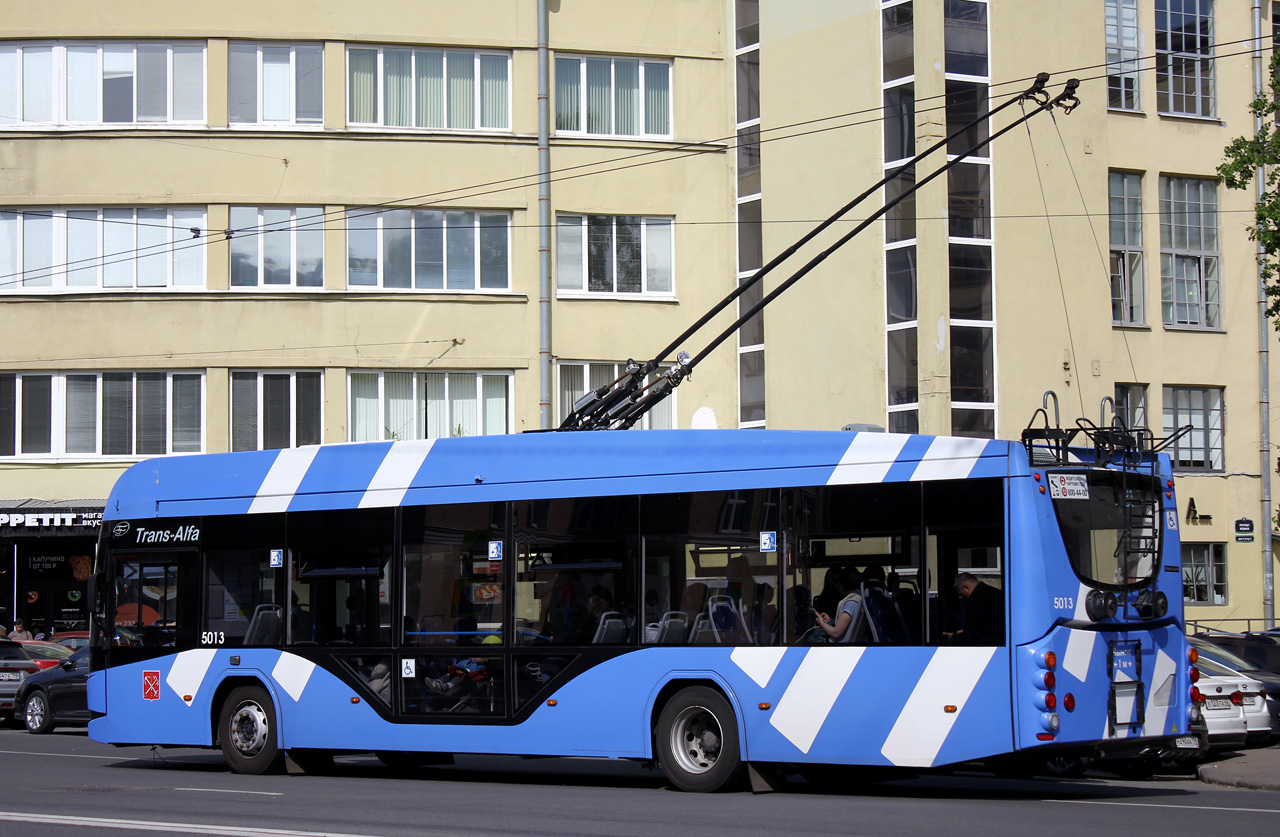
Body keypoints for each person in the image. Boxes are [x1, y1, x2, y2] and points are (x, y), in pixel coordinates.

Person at [947, 572, 1004, 645]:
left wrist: (954, 638)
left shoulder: (976, 600)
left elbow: (972, 636)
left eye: (962, 594)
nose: (963, 598)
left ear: (966, 587)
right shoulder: (997, 594)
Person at [813, 569, 862, 642]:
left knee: (813, 637)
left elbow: (836, 633)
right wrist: (829, 621)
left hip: (840, 646)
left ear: (842, 585)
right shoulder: (858, 598)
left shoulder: (851, 603)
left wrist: (821, 623)